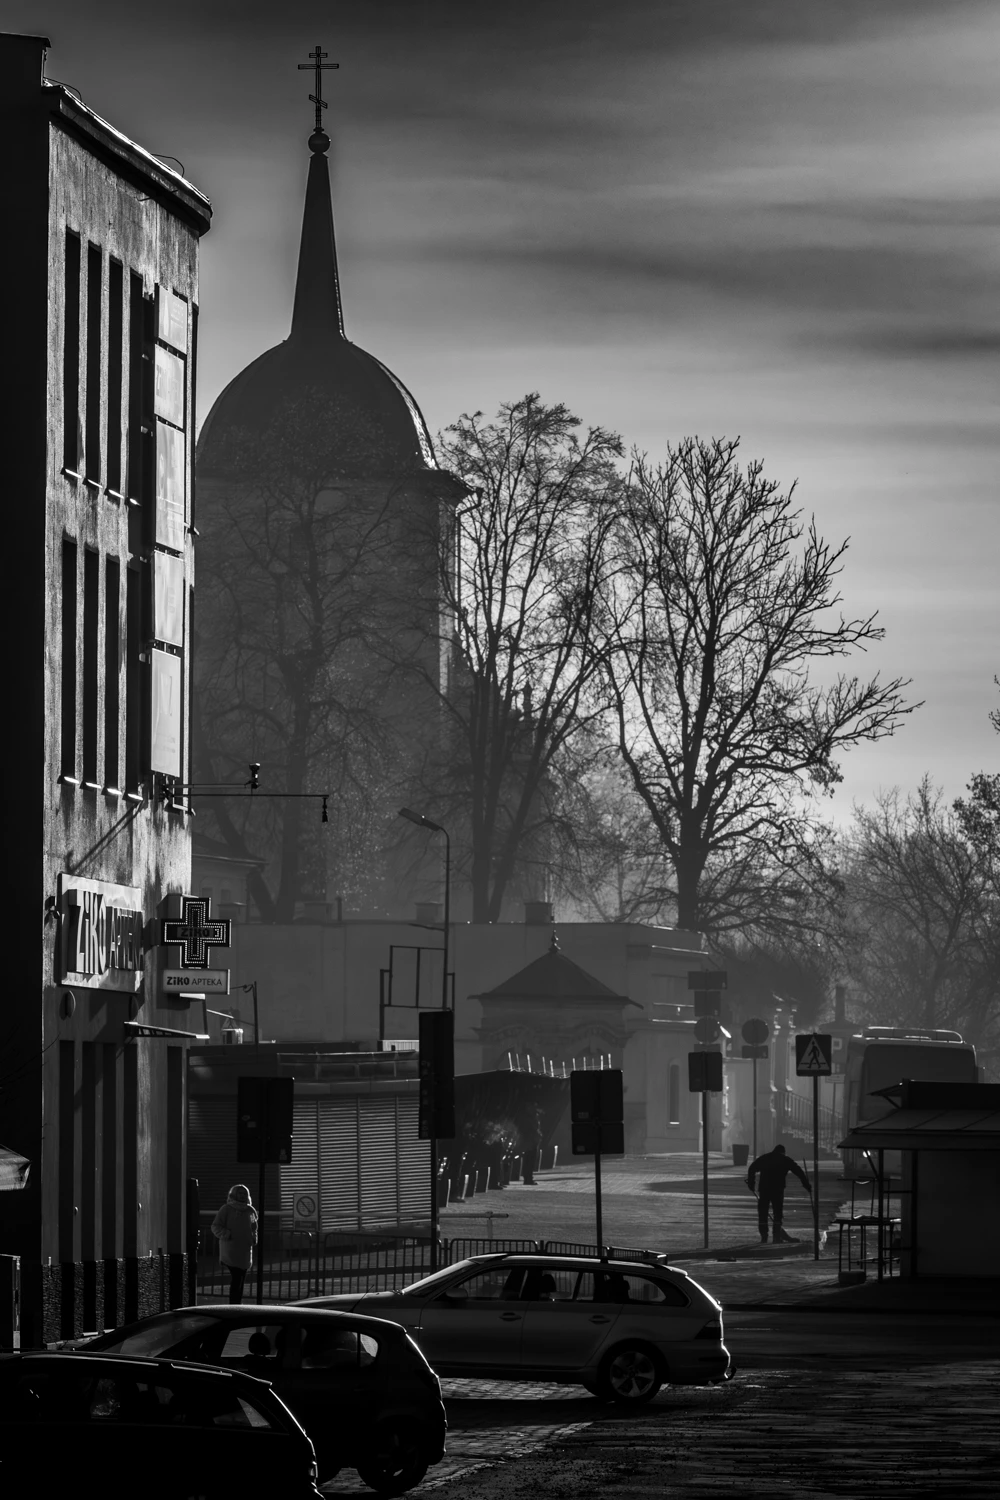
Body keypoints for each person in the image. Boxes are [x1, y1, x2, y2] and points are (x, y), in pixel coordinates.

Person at [746, 1144, 811, 1244]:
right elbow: (799, 1172)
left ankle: (764, 1237)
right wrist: (806, 1185)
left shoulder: (765, 1158)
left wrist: (751, 1182)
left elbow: (752, 1168)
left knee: (763, 1214)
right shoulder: (785, 1160)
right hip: (777, 1190)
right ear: (783, 1152)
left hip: (764, 1189)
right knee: (777, 1214)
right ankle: (776, 1237)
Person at [210, 1183, 258, 1303]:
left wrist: (253, 1237)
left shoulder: (250, 1210)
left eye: (244, 1194)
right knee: (237, 1278)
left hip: (245, 1249)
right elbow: (216, 1226)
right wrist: (226, 1234)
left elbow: (254, 1226)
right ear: (233, 1195)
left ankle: (237, 1302)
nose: (242, 1196)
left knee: (241, 1278)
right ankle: (234, 1303)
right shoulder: (226, 1209)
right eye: (239, 1193)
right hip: (230, 1249)